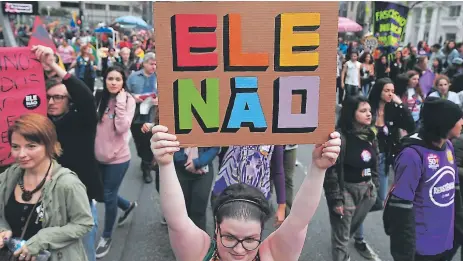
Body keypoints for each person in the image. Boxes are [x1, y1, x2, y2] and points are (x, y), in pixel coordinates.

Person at [150, 125, 341, 261]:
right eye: (229, 237)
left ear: (261, 234)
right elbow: (177, 222)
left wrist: (318, 169)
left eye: (250, 240)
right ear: (216, 231)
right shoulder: (199, 254)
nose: (239, 251)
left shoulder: (271, 256)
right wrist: (165, 164)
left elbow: (298, 221)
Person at [32, 44, 104, 261]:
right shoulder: (39, 125)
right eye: (49, 98)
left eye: (58, 97)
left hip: (79, 199)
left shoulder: (82, 120)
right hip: (46, 201)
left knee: (83, 251)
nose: (52, 102)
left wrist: (53, 65)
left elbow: (85, 97)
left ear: (69, 100)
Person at [0, 113, 94, 261]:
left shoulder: (68, 184)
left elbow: (84, 223)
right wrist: (3, 230)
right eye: (15, 147)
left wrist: (41, 240)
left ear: (49, 145)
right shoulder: (9, 176)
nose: (21, 154)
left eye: (31, 146)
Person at [383, 98, 463, 261]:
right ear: (444, 123)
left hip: (445, 244)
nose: (461, 122)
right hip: (421, 249)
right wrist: (404, 253)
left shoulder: (448, 146)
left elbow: (454, 192)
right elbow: (400, 207)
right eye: (458, 119)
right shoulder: (412, 155)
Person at [323, 95, 380, 261]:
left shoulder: (371, 135)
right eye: (363, 111)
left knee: (347, 232)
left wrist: (374, 187)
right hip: (345, 190)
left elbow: (375, 162)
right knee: (341, 237)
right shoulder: (339, 138)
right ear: (351, 114)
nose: (369, 114)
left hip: (367, 191)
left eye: (369, 110)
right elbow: (331, 171)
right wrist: (336, 200)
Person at [94, 66, 137, 258]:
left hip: (118, 159)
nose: (113, 82)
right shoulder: (98, 98)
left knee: (108, 195)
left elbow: (121, 128)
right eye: (110, 78)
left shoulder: (128, 100)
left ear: (123, 82)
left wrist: (119, 102)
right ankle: (127, 205)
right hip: (97, 157)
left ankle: (106, 236)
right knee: (103, 193)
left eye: (117, 79)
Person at [212, 145, 287, 227]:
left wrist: (281, 206)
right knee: (224, 233)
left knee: (250, 235)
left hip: (256, 198)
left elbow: (278, 169)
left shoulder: (274, 135)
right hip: (227, 192)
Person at [127, 53, 158, 183]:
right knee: (140, 143)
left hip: (153, 116)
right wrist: (133, 98)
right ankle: (144, 159)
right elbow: (125, 92)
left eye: (156, 64)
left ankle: (147, 168)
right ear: (144, 63)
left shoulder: (159, 77)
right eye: (151, 64)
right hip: (136, 116)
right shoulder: (133, 77)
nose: (154, 67)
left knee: (150, 143)